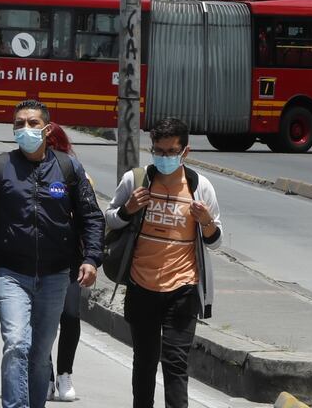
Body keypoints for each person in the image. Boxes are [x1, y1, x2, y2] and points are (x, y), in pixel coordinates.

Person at [0, 99, 104, 408]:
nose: (25, 129)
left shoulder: (68, 168)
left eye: (31, 123)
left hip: (56, 277)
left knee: (40, 354)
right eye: (19, 124)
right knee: (16, 343)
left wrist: (91, 258)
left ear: (47, 128)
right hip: (10, 274)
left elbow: (92, 216)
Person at [105, 117, 223, 408]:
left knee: (175, 362)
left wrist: (206, 221)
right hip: (141, 284)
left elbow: (215, 240)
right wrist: (128, 208)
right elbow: (109, 218)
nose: (164, 157)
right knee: (144, 361)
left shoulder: (200, 187)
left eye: (171, 151)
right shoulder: (136, 179)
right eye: (159, 150)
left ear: (185, 152)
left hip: (183, 289)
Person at [45, 124, 86, 402]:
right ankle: (44, 376)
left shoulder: (74, 171)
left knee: (69, 316)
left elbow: (90, 217)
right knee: (41, 320)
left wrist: (92, 257)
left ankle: (64, 374)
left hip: (70, 257)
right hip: (35, 257)